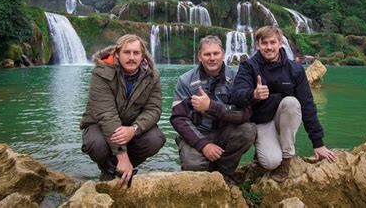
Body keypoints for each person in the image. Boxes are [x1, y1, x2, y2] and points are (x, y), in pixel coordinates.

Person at [231, 26, 337, 182]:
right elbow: (236, 95)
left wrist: (318, 143)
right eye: (264, 43)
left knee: (291, 102)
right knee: (270, 162)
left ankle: (287, 159)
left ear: (280, 43)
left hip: (285, 119)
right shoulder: (248, 67)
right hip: (262, 121)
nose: (269, 47)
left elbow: (307, 105)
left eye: (272, 42)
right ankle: (263, 151)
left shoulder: (295, 69)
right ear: (258, 45)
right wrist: (253, 94)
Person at [80, 34, 165, 186]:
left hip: (132, 125)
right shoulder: (101, 72)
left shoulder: (153, 76)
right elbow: (107, 115)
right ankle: (110, 169)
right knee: (96, 144)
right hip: (100, 124)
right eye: (127, 52)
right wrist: (122, 155)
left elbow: (154, 109)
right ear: (117, 54)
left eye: (136, 53)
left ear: (142, 55)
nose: (131, 57)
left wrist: (134, 129)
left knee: (155, 139)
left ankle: (124, 168)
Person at [170, 35, 256, 185]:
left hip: (224, 132)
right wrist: (203, 145)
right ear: (199, 57)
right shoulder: (185, 80)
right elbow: (178, 118)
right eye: (207, 54)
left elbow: (245, 113)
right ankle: (204, 164)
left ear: (223, 54)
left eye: (216, 54)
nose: (212, 58)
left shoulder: (236, 79)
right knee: (193, 166)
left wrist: (212, 107)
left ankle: (225, 173)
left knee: (248, 131)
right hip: (197, 133)